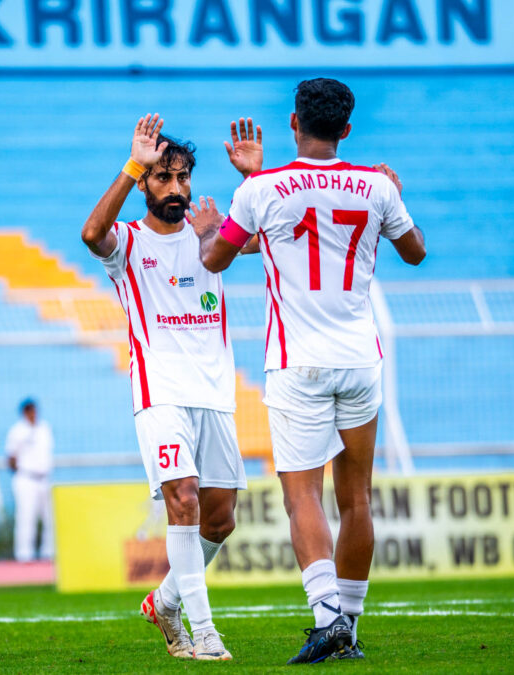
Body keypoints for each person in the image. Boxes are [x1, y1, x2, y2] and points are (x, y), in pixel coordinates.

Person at [190, 78, 427, 663]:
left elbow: (217, 256)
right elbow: (416, 251)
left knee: (303, 498)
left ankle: (327, 620)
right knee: (358, 499)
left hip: (298, 362)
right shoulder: (376, 186)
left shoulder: (262, 188)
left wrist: (208, 229)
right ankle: (348, 622)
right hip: (359, 359)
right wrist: (395, 197)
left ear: (294, 123)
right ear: (347, 129)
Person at [80, 114, 261, 661]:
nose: (177, 188)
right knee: (181, 500)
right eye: (163, 177)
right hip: (159, 392)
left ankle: (163, 601)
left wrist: (253, 179)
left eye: (183, 177)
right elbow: (92, 234)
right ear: (144, 184)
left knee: (221, 518)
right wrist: (133, 160)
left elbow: (280, 235)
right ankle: (203, 633)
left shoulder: (213, 237)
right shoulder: (129, 244)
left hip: (214, 395)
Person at [5, 398, 55, 562]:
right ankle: (24, 554)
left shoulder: (44, 428)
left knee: (50, 517)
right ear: (25, 412)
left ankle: (48, 552)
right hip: (26, 478)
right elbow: (11, 458)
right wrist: (23, 472)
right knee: (26, 518)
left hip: (44, 478)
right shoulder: (17, 431)